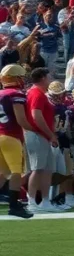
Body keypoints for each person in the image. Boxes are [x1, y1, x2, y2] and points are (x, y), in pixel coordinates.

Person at [24, 67, 62, 213]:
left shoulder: (39, 93)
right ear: (42, 78)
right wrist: (50, 134)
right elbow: (36, 116)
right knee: (37, 168)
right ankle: (32, 201)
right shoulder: (36, 93)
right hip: (37, 135)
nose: (51, 79)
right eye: (49, 76)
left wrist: (49, 135)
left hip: (42, 135)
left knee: (47, 169)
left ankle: (45, 201)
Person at [0, 64, 34, 218]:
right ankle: (14, 205)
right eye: (21, 77)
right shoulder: (15, 94)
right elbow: (21, 119)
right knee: (16, 172)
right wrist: (35, 130)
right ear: (15, 78)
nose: (23, 80)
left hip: (1, 135)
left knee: (3, 172)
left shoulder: (1, 93)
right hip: (11, 136)